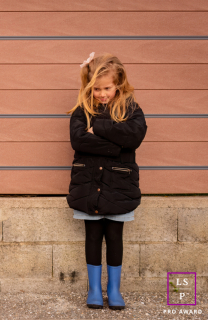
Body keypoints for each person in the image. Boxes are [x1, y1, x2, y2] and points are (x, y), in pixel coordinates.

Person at [66, 53, 147, 310]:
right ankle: (93, 290)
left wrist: (99, 128)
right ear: (90, 86)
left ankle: (114, 290)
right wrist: (116, 143)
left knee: (114, 236)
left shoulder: (132, 109)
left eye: (107, 88)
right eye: (97, 88)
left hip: (118, 186)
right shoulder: (82, 110)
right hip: (89, 186)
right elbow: (79, 141)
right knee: (92, 236)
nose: (102, 94)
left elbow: (133, 138)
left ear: (119, 84)